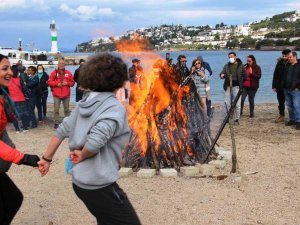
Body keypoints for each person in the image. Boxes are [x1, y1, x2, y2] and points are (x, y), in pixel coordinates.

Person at [38, 53, 141, 225]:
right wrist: (84, 154)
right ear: (119, 78)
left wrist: (46, 159)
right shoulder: (114, 107)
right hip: (99, 185)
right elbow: (95, 141)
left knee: (105, 219)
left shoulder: (84, 103)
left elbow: (61, 131)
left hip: (79, 182)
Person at [0, 54, 40, 225]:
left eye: (10, 68)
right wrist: (22, 158)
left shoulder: (2, 96)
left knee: (13, 199)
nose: (11, 72)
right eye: (4, 69)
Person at [220, 52, 245, 125]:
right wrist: (222, 75)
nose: (230, 58)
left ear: (235, 57)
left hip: (237, 86)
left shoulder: (241, 65)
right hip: (227, 86)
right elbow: (222, 73)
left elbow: (245, 76)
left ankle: (236, 119)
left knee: (237, 104)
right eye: (229, 57)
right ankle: (226, 118)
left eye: (231, 57)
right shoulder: (226, 65)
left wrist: (240, 81)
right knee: (227, 103)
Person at [48, 59, 74, 129]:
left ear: (64, 64)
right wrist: (57, 84)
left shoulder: (68, 73)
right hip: (56, 94)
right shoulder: (54, 73)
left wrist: (67, 83)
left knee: (67, 110)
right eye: (60, 63)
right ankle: (56, 123)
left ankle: (67, 123)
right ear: (58, 64)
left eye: (63, 63)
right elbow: (49, 82)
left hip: (66, 94)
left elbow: (72, 83)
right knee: (56, 109)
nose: (61, 65)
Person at [7, 65, 30, 132]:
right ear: (17, 72)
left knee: (14, 115)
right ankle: (25, 128)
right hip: (21, 98)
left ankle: (17, 129)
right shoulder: (19, 80)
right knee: (24, 114)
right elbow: (24, 89)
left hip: (12, 100)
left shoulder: (7, 80)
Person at [272, 49, 292, 123]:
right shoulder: (279, 63)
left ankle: (292, 117)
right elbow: (275, 74)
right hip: (279, 86)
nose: (284, 57)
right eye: (283, 55)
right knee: (280, 103)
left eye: (285, 55)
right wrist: (274, 86)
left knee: (290, 103)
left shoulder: (291, 63)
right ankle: (281, 115)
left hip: (288, 86)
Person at [282, 51, 300, 130]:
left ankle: (298, 121)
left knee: (296, 106)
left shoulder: (299, 65)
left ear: (295, 56)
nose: (289, 59)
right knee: (289, 106)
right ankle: (292, 119)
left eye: (290, 57)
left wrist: (298, 87)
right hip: (286, 89)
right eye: (288, 57)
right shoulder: (287, 65)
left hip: (296, 90)